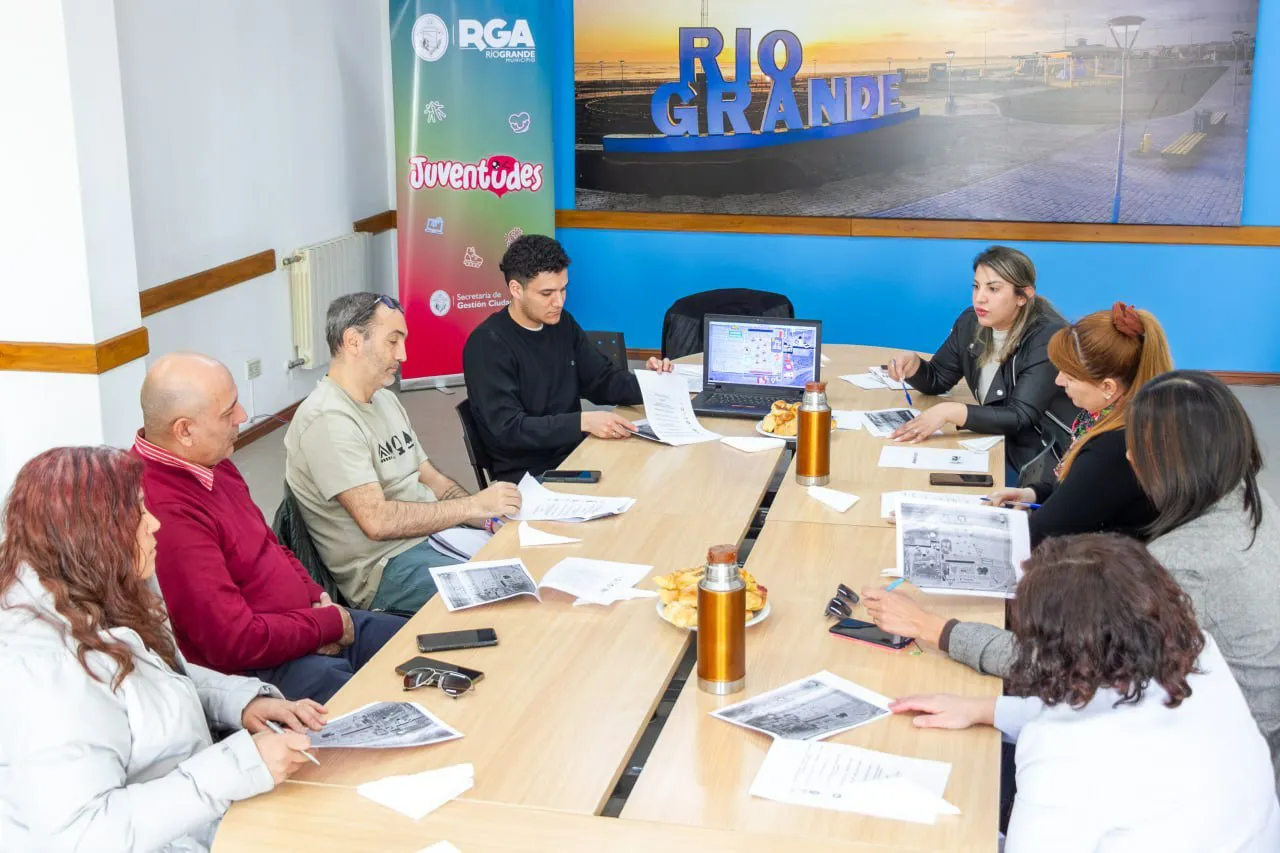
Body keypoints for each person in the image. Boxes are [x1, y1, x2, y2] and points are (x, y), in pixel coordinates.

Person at [0, 446, 324, 852]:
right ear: (95, 534)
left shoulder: (101, 588)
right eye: (138, 513)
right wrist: (238, 766)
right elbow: (83, 835)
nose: (154, 524)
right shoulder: (46, 672)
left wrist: (239, 703)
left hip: (200, 821)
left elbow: (157, 681)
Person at [891, 534, 1280, 852]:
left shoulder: (1065, 754)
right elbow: (1107, 711)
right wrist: (985, 708)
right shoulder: (1196, 655)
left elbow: (1083, 736)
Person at [135, 352, 407, 703]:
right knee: (388, 702)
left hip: (304, 623)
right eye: (228, 411)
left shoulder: (210, 460)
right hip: (258, 666)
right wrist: (327, 625)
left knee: (421, 639)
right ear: (185, 430)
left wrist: (315, 596)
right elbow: (231, 642)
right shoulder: (163, 510)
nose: (243, 417)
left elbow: (269, 544)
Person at [286, 293, 521, 614]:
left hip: (435, 537)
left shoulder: (383, 398)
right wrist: (470, 506)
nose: (404, 354)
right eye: (393, 341)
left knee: (521, 560)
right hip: (387, 566)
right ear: (353, 342)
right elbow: (377, 522)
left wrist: (485, 517)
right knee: (507, 597)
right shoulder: (327, 420)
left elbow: (431, 477)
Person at [1131, 371, 1280, 787]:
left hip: (1230, 761)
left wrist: (949, 632)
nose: (1128, 457)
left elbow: (1092, 663)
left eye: (1137, 446)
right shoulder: (1250, 497)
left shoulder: (1182, 558)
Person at [462, 234, 674, 483]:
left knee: (658, 469)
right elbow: (508, 429)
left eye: (563, 290)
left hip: (575, 452)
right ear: (516, 289)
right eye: (547, 293)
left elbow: (601, 381)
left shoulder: (562, 324)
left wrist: (653, 383)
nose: (559, 302)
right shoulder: (487, 345)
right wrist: (581, 422)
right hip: (530, 474)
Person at [981, 301, 1171, 546]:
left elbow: (1040, 534)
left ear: (1107, 387)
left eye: (1069, 376)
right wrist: (1033, 494)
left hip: (1105, 565)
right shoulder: (1119, 416)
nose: (1059, 381)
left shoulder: (1112, 447)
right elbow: (1081, 491)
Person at [885, 246, 1079, 483]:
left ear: (1023, 296)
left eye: (993, 289)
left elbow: (1020, 416)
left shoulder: (1046, 337)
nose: (980, 298)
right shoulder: (972, 322)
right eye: (976, 286)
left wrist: (951, 411)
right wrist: (915, 366)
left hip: (1041, 463)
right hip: (1000, 445)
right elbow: (938, 378)